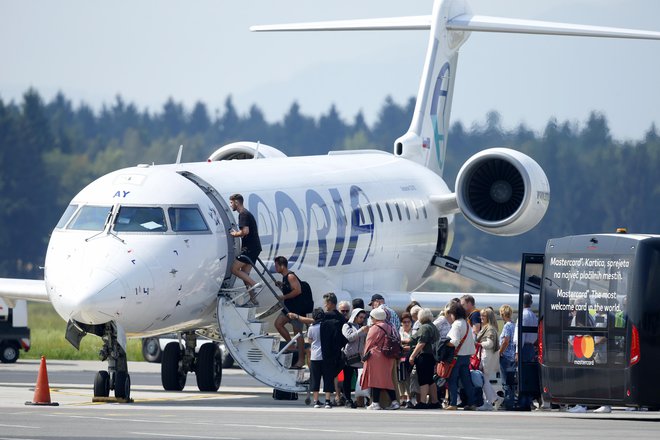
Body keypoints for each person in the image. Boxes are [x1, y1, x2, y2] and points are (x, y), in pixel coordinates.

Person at [361, 308, 400, 410]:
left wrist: (364, 356)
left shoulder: (375, 328)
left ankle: (375, 403)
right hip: (389, 356)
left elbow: (369, 343)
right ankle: (394, 402)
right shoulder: (390, 326)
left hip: (376, 356)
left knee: (375, 379)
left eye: (372, 317)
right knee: (387, 380)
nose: (371, 319)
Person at [229, 193, 262, 305]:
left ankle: (255, 284)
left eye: (231, 203)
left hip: (249, 248)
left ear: (237, 202)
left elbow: (245, 231)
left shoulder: (243, 214)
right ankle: (253, 297)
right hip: (255, 247)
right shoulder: (247, 213)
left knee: (234, 269)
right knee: (244, 274)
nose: (231, 205)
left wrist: (234, 234)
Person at [273, 256, 306, 368]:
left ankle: (301, 360)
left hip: (296, 309)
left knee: (298, 334)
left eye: (276, 265)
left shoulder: (291, 276)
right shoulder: (284, 278)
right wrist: (281, 286)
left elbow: (298, 290)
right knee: (278, 324)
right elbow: (289, 288)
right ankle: (290, 344)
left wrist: (283, 296)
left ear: (282, 266)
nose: (275, 268)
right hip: (288, 308)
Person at [445, 301, 476, 410]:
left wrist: (444, 343)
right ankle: (472, 403)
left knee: (452, 380)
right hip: (466, 357)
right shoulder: (466, 323)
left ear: (454, 313)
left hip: (456, 357)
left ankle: (453, 403)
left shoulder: (456, 324)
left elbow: (454, 342)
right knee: (467, 381)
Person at [408, 308, 440, 409]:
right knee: (430, 380)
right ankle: (435, 401)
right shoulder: (433, 326)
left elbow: (421, 342)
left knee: (423, 380)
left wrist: (412, 355)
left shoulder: (424, 327)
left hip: (424, 356)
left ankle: (422, 402)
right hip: (431, 357)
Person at [514, 293, 539, 411]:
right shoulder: (533, 315)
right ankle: (528, 400)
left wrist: (518, 351)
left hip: (523, 347)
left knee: (522, 374)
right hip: (530, 347)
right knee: (529, 374)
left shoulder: (523, 315)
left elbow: (520, 335)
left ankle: (523, 401)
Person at [307, 308, 335, 408]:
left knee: (315, 378)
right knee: (328, 378)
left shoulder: (311, 327)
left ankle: (316, 400)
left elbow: (310, 340)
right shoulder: (328, 326)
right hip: (326, 356)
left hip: (315, 356)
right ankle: (327, 401)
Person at [341, 308, 368, 408]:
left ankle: (361, 399)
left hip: (359, 357)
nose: (362, 319)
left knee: (360, 379)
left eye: (363, 318)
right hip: (349, 357)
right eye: (360, 317)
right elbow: (349, 337)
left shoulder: (361, 327)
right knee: (347, 379)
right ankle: (347, 399)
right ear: (355, 316)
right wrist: (361, 331)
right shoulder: (346, 325)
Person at [475, 307, 501, 410]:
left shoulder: (489, 328)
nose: (481, 317)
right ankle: (493, 399)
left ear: (488, 317)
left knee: (484, 379)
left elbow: (490, 344)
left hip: (487, 356)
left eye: (483, 316)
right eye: (480, 315)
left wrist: (478, 344)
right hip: (486, 355)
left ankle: (490, 401)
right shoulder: (488, 327)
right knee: (484, 379)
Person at [498, 304, 516, 409]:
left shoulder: (507, 326)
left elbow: (506, 341)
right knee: (511, 381)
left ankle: (508, 402)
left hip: (506, 357)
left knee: (505, 382)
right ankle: (511, 400)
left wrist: (500, 352)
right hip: (513, 357)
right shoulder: (514, 325)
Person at [398, 312, 413, 407]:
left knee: (408, 379)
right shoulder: (399, 331)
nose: (406, 324)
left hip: (410, 358)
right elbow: (398, 344)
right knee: (400, 379)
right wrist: (407, 344)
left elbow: (413, 344)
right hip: (400, 358)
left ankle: (409, 398)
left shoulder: (414, 331)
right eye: (404, 322)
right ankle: (401, 398)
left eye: (408, 321)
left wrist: (404, 344)